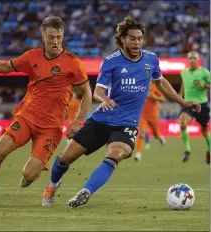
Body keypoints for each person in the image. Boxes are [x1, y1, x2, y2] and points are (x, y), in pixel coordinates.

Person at [42, 17, 201, 208]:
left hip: (127, 124)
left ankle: (86, 191)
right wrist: (105, 99)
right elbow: (98, 91)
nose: (136, 43)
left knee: (116, 153)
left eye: (139, 38)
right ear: (123, 39)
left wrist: (183, 102)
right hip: (102, 119)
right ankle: (51, 187)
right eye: (132, 38)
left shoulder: (150, 59)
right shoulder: (111, 62)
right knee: (66, 158)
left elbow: (161, 83)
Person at [0, 16, 92, 207]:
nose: (55, 41)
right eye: (51, 38)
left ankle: (37, 178)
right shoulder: (32, 56)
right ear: (43, 36)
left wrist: (77, 121)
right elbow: (5, 68)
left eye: (58, 37)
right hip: (27, 117)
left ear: (62, 36)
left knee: (28, 175)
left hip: (51, 128)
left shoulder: (73, 63)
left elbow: (86, 93)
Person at [179, 51, 210, 164]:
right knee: (182, 124)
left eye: (194, 58)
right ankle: (187, 150)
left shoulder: (204, 72)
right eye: (190, 57)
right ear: (188, 59)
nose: (192, 59)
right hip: (188, 104)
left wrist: (204, 85)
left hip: (202, 104)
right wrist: (179, 97)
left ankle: (209, 149)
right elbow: (184, 85)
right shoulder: (184, 72)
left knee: (204, 131)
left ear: (198, 59)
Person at [133, 82, 166, 161]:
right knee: (142, 133)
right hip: (143, 115)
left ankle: (159, 137)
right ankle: (138, 153)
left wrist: (154, 96)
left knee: (156, 134)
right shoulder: (138, 86)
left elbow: (163, 99)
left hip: (153, 115)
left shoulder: (155, 87)